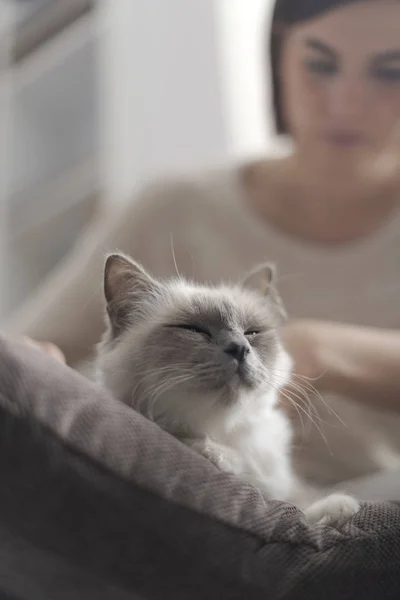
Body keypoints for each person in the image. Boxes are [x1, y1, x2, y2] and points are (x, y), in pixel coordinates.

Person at [6, 0, 400, 487]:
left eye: (391, 72)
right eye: (320, 64)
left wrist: (331, 350)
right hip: (195, 506)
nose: (347, 101)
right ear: (279, 58)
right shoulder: (175, 206)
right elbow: (32, 350)